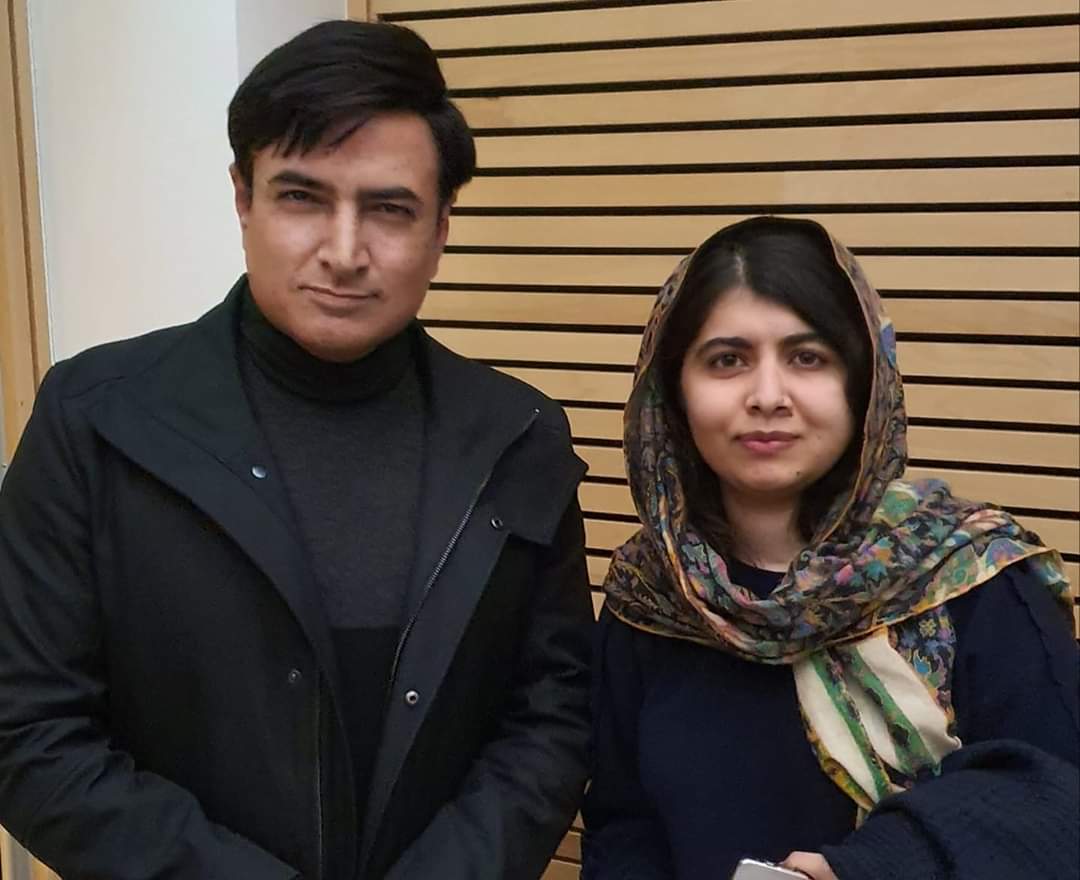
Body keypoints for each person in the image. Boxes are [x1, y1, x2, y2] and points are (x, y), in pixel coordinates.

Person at [0, 20, 593, 880]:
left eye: (389, 209)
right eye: (302, 198)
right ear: (243, 198)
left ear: (441, 229)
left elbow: (552, 716)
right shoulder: (95, 419)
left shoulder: (517, 435)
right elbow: (28, 729)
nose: (344, 253)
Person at [582, 216, 1078, 879]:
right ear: (673, 392)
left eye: (807, 357)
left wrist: (878, 865)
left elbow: (1058, 807)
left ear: (863, 380)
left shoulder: (973, 577)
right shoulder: (651, 595)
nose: (767, 397)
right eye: (727, 360)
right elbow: (623, 827)